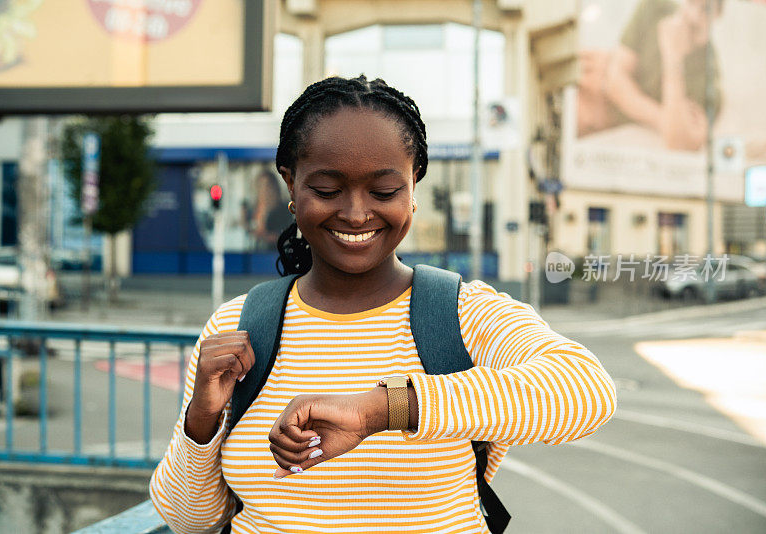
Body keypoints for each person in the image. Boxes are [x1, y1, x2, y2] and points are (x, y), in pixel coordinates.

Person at [150, 76, 617, 533]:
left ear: (414, 185)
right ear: (291, 186)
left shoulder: (461, 314)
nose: (356, 213)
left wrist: (382, 410)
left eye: (384, 191)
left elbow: (587, 391)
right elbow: (188, 520)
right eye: (327, 190)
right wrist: (202, 420)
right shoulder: (241, 325)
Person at [577, 0, 723, 151]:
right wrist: (666, 120)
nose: (693, 16)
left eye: (705, 10)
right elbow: (614, 82)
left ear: (717, 15)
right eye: (692, 3)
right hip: (589, 115)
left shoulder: (710, 78)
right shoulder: (654, 8)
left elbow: (680, 142)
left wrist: (673, 57)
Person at [249, 170, 294, 251]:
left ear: (275, 188)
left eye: (268, 186)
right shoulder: (254, 210)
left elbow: (287, 237)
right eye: (261, 187)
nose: (264, 191)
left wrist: (264, 235)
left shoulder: (286, 210)